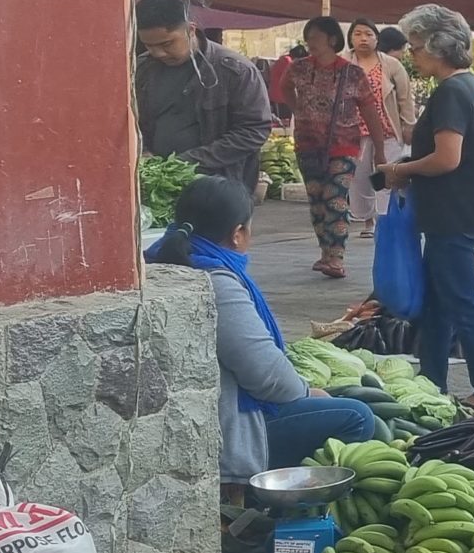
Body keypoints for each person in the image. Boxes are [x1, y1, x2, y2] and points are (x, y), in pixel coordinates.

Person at [146, 174, 376, 480]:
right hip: (227, 434)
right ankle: (279, 504)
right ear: (238, 233)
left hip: (197, 416)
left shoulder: (161, 262)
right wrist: (307, 390)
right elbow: (266, 375)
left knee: (342, 394)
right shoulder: (215, 281)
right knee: (357, 416)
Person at [380, 4, 474, 413]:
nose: (413, 57)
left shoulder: (452, 91)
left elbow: (447, 158)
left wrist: (400, 170)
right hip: (458, 211)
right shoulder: (471, 87)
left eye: (416, 48)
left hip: (453, 213)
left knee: (461, 301)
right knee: (437, 304)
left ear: (438, 47)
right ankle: (431, 380)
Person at [282, 14, 392, 280]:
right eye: (307, 38)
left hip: (343, 145)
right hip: (307, 144)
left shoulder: (352, 73)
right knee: (317, 199)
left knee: (335, 197)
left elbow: (370, 112)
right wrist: (297, 109)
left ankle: (337, 257)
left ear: (332, 39)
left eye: (315, 37)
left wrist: (379, 149)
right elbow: (284, 88)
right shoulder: (298, 68)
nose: (310, 43)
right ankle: (325, 252)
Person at [132, 0, 272, 193]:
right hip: (158, 185)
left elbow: (254, 130)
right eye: (149, 45)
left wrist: (188, 161)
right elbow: (131, 122)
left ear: (191, 29)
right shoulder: (142, 70)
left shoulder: (236, 71)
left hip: (221, 187)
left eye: (167, 44)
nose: (158, 53)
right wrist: (143, 151)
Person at [347, 20, 414, 240]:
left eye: (368, 34)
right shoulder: (342, 63)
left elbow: (405, 98)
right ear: (351, 39)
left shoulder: (391, 65)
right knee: (360, 177)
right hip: (354, 131)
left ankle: (386, 219)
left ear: (377, 39)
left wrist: (407, 125)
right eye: (357, 34)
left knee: (387, 176)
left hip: (387, 129)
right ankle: (367, 219)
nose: (363, 38)